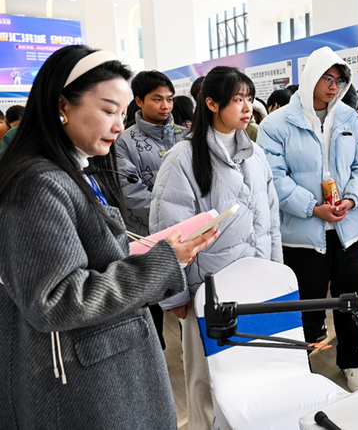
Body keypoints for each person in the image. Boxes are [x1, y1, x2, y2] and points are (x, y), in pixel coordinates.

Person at [0, 45, 218, 429]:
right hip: (80, 381)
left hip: (99, 365)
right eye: (107, 110)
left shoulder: (72, 170)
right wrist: (163, 262)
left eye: (122, 113)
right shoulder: (39, 183)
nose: (119, 125)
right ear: (62, 105)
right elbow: (56, 299)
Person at [150, 65, 282, 429]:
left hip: (257, 282)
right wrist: (176, 296)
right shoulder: (183, 158)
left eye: (249, 99)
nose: (246, 107)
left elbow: (270, 219)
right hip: (208, 289)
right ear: (211, 103)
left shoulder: (255, 154)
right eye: (237, 99)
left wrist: (277, 272)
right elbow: (168, 230)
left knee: (252, 366)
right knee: (207, 378)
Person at [258, 46, 358, 392]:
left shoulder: (350, 119)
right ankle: (302, 366)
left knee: (350, 299)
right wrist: (312, 207)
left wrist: (352, 199)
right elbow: (274, 177)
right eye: (327, 78)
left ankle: (352, 360)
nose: (333, 86)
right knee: (307, 304)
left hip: (346, 230)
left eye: (338, 80)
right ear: (311, 76)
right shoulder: (276, 124)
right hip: (302, 233)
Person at [115, 70, 187, 350]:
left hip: (189, 234)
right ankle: (156, 356)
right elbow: (132, 194)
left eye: (169, 99)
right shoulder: (124, 143)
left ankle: (192, 352)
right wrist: (171, 222)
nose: (166, 106)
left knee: (191, 300)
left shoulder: (185, 135)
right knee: (152, 303)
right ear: (139, 101)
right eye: (157, 99)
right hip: (147, 237)